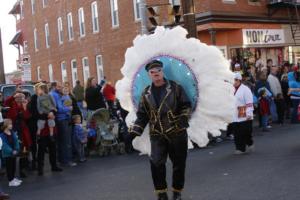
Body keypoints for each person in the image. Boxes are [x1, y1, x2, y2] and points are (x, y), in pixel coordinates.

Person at [129, 60, 192, 200]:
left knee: (179, 164)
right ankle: (161, 194)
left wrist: (183, 117)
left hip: (177, 131)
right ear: (149, 75)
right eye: (153, 72)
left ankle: (177, 192)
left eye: (158, 71)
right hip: (157, 134)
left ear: (162, 72)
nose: (156, 74)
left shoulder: (175, 88)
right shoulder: (146, 93)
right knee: (156, 164)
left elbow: (186, 105)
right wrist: (135, 132)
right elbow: (142, 115)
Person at [4, 92, 32, 178]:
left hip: (22, 130)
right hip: (14, 130)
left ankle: (22, 169)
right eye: (19, 97)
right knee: (14, 150)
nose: (20, 99)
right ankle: (11, 173)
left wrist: (24, 107)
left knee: (24, 149)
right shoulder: (12, 104)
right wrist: (13, 96)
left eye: (22, 97)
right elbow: (6, 102)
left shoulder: (23, 105)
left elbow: (27, 116)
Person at [50, 82, 76, 167]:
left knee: (61, 141)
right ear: (54, 87)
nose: (60, 88)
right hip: (63, 119)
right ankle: (67, 160)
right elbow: (59, 109)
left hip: (59, 120)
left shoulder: (52, 94)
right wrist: (69, 108)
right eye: (59, 86)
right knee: (66, 141)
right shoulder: (56, 95)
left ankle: (62, 160)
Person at [232, 72, 254, 154]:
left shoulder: (246, 89)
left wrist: (249, 113)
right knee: (237, 132)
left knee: (245, 132)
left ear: (239, 80)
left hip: (244, 112)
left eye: (235, 80)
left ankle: (249, 142)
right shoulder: (231, 89)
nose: (234, 82)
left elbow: (249, 102)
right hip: (234, 114)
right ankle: (240, 148)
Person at [0, 119, 21, 187]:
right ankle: (10, 181)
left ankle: (13, 178)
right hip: (8, 154)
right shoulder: (2, 135)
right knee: (9, 167)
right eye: (10, 124)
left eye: (11, 124)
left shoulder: (12, 132)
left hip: (14, 153)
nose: (11, 125)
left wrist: (16, 149)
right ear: (6, 125)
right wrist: (12, 151)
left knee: (13, 166)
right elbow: (4, 145)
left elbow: (16, 141)